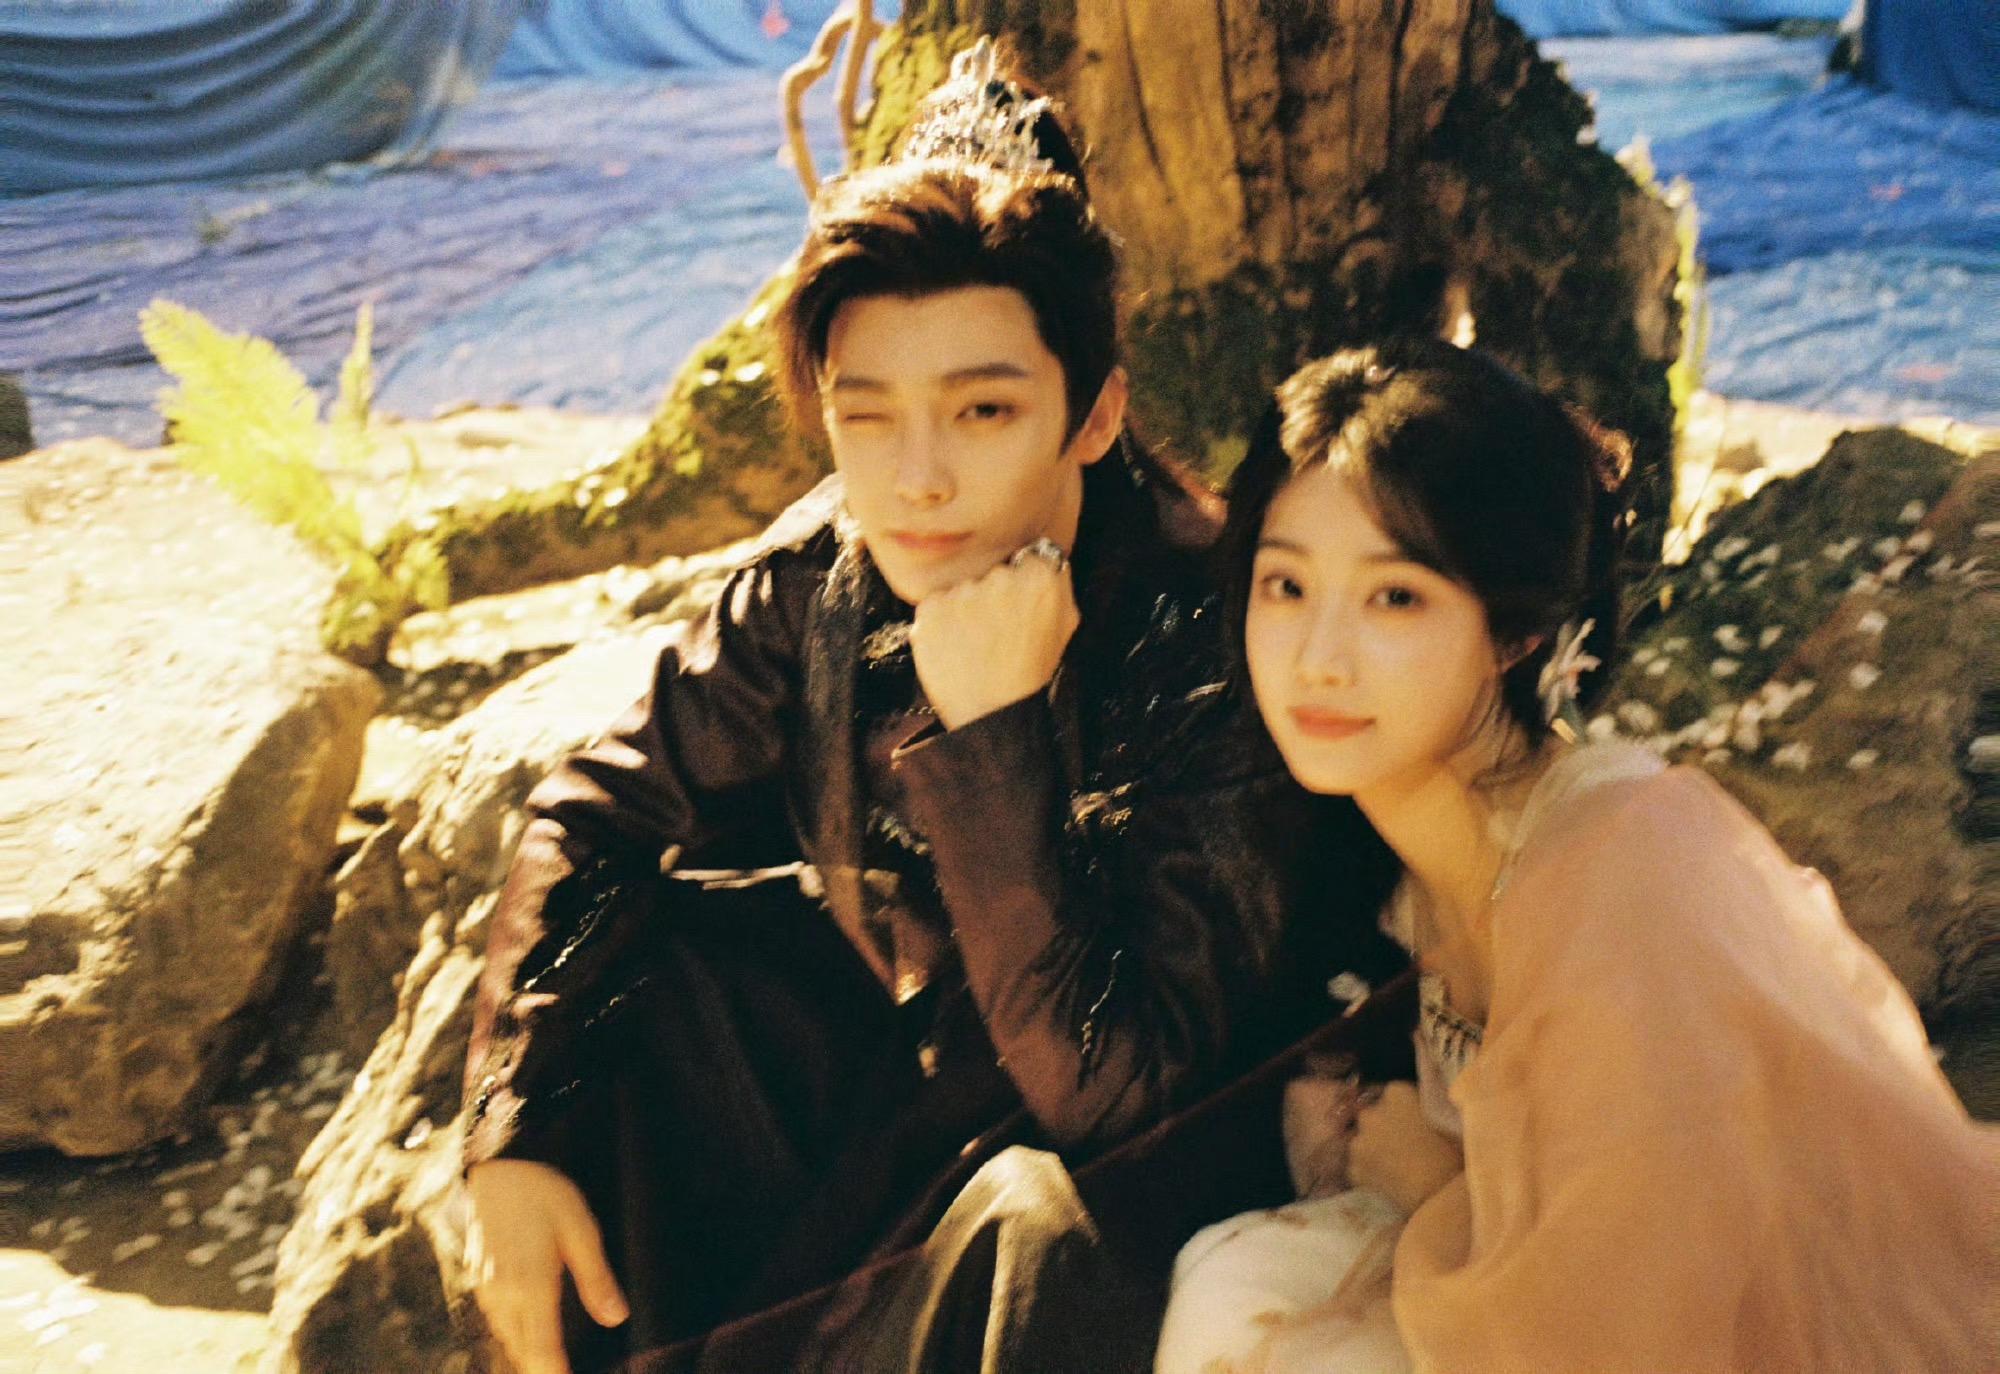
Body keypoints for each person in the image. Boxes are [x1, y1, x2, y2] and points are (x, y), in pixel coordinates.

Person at [459, 43, 1405, 1374]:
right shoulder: (820, 583)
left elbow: (1112, 1091)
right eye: (868, 418)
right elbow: (597, 813)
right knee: (649, 997)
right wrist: (513, 1129)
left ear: (1094, 416)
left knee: (1033, 1224)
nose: (917, 480)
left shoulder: (1212, 632)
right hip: (912, 1104)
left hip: (1145, 1161)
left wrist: (993, 733)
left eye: (982, 411)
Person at [1156, 339, 1998, 1372]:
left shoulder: (1618, 870)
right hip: (1555, 1286)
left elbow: (1634, 1317)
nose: (1318, 658)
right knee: (1232, 1277)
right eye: (1284, 585)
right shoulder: (1393, 845)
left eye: (1395, 597)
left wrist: (1435, 1189)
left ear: (1512, 635)